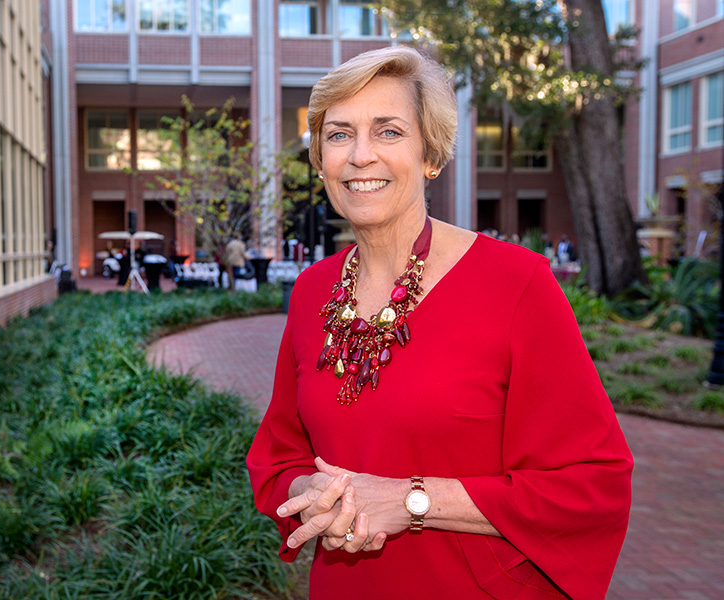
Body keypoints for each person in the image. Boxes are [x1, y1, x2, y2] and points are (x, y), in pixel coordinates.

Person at [246, 47, 632, 599]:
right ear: (319, 158)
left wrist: (411, 501)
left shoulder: (515, 283)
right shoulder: (311, 291)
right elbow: (278, 455)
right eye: (338, 134)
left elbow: (593, 483)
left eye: (388, 131)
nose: (360, 156)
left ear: (430, 151)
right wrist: (310, 490)